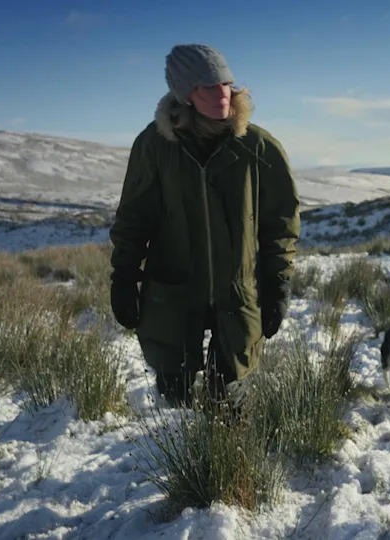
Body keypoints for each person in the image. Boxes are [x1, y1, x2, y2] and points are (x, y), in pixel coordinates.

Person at [108, 44, 300, 405]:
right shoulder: (155, 146)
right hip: (172, 295)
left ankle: (227, 462)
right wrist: (123, 275)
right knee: (175, 396)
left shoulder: (258, 147)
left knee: (229, 398)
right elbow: (134, 218)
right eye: (207, 86)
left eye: (226, 84)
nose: (222, 94)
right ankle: (185, 459)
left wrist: (278, 281)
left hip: (238, 295)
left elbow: (281, 224)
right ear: (184, 94)